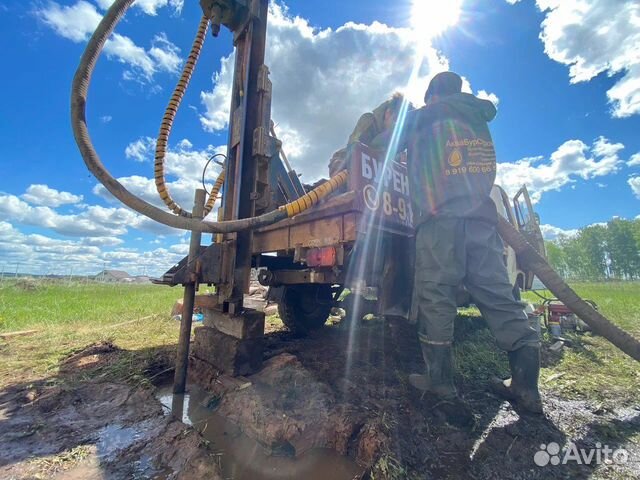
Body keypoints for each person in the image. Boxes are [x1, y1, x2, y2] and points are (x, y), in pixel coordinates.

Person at [394, 72, 543, 424]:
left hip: (439, 220)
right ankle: (526, 388)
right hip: (480, 221)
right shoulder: (477, 119)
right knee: (499, 295)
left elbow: (387, 142)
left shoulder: (423, 117)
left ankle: (439, 383)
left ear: (431, 95)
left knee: (436, 293)